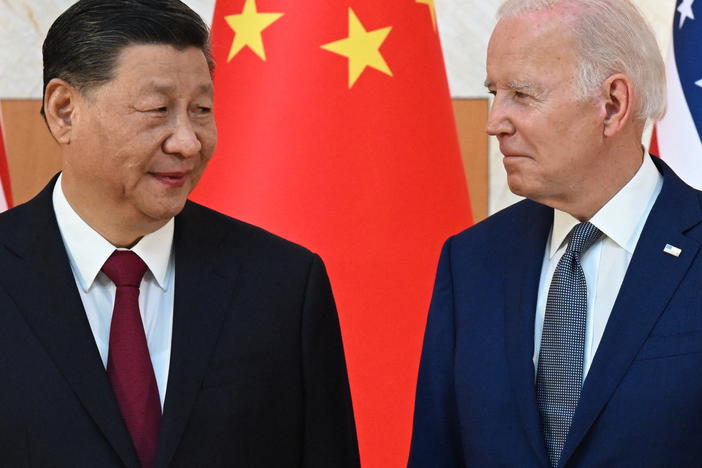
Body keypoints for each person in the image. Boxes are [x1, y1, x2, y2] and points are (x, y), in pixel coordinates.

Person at [0, 1, 360, 467]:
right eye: (157, 109)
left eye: (202, 109)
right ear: (65, 111)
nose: (188, 141)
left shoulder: (283, 284)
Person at [408, 0, 702, 466]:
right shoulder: (470, 262)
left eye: (522, 95)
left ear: (612, 105)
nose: (494, 123)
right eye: (494, 92)